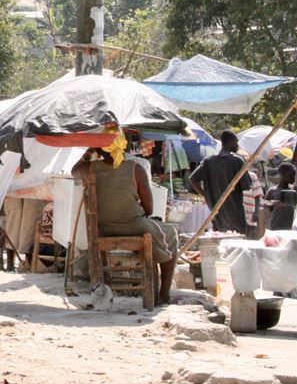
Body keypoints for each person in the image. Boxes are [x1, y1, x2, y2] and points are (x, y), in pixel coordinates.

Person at [73, 149, 179, 304]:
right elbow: (148, 209)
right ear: (121, 148)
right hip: (134, 225)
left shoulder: (90, 167)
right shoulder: (135, 169)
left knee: (156, 229)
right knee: (171, 233)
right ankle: (164, 294)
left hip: (102, 229)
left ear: (100, 150)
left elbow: (74, 171)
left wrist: (89, 152)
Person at [189, 130, 252, 234]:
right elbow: (247, 186)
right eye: (236, 142)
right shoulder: (237, 161)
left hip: (217, 214)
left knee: (220, 242)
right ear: (231, 142)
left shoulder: (208, 161)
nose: (237, 145)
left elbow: (192, 179)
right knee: (237, 242)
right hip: (235, 214)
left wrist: (206, 195)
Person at [264, 163, 297, 231]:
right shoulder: (272, 191)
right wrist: (272, 203)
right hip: (276, 227)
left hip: (291, 227)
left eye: (294, 176)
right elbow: (266, 207)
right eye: (291, 176)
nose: (294, 178)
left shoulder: (296, 190)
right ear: (282, 175)